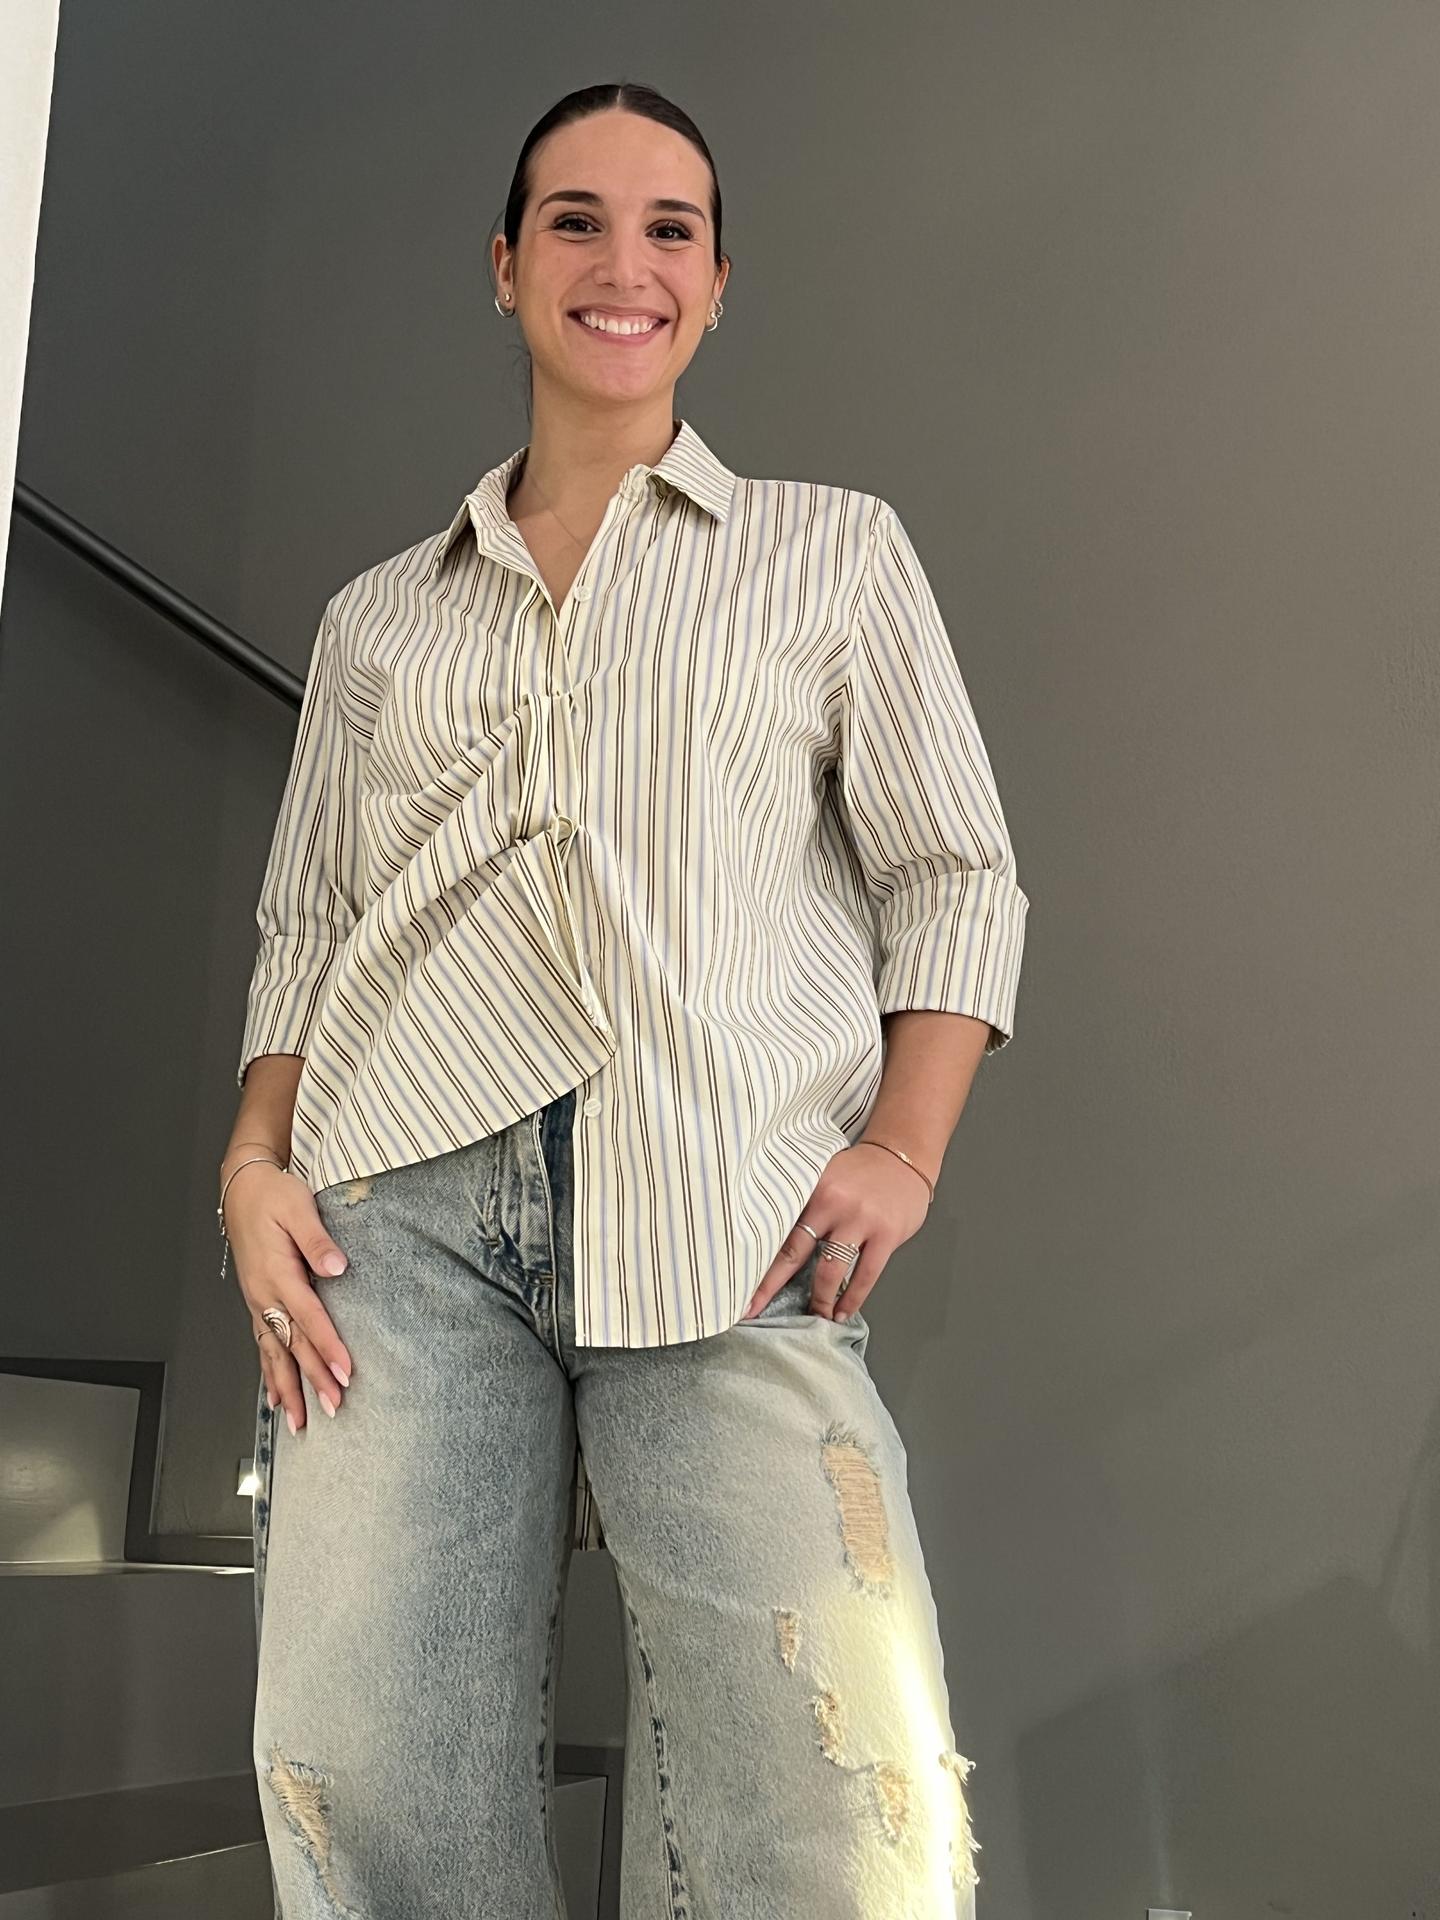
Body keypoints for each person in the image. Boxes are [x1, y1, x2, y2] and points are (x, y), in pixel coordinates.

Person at [222, 79, 1028, 1920]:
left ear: (719, 286)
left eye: (672, 229)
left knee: (839, 1807)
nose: (624, 262)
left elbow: (954, 873)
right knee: (370, 1793)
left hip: (724, 1202)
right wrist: (252, 1166)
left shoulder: (833, 553)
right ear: (506, 268)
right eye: (576, 221)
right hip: (392, 1225)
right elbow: (306, 926)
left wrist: (904, 1149)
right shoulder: (378, 618)